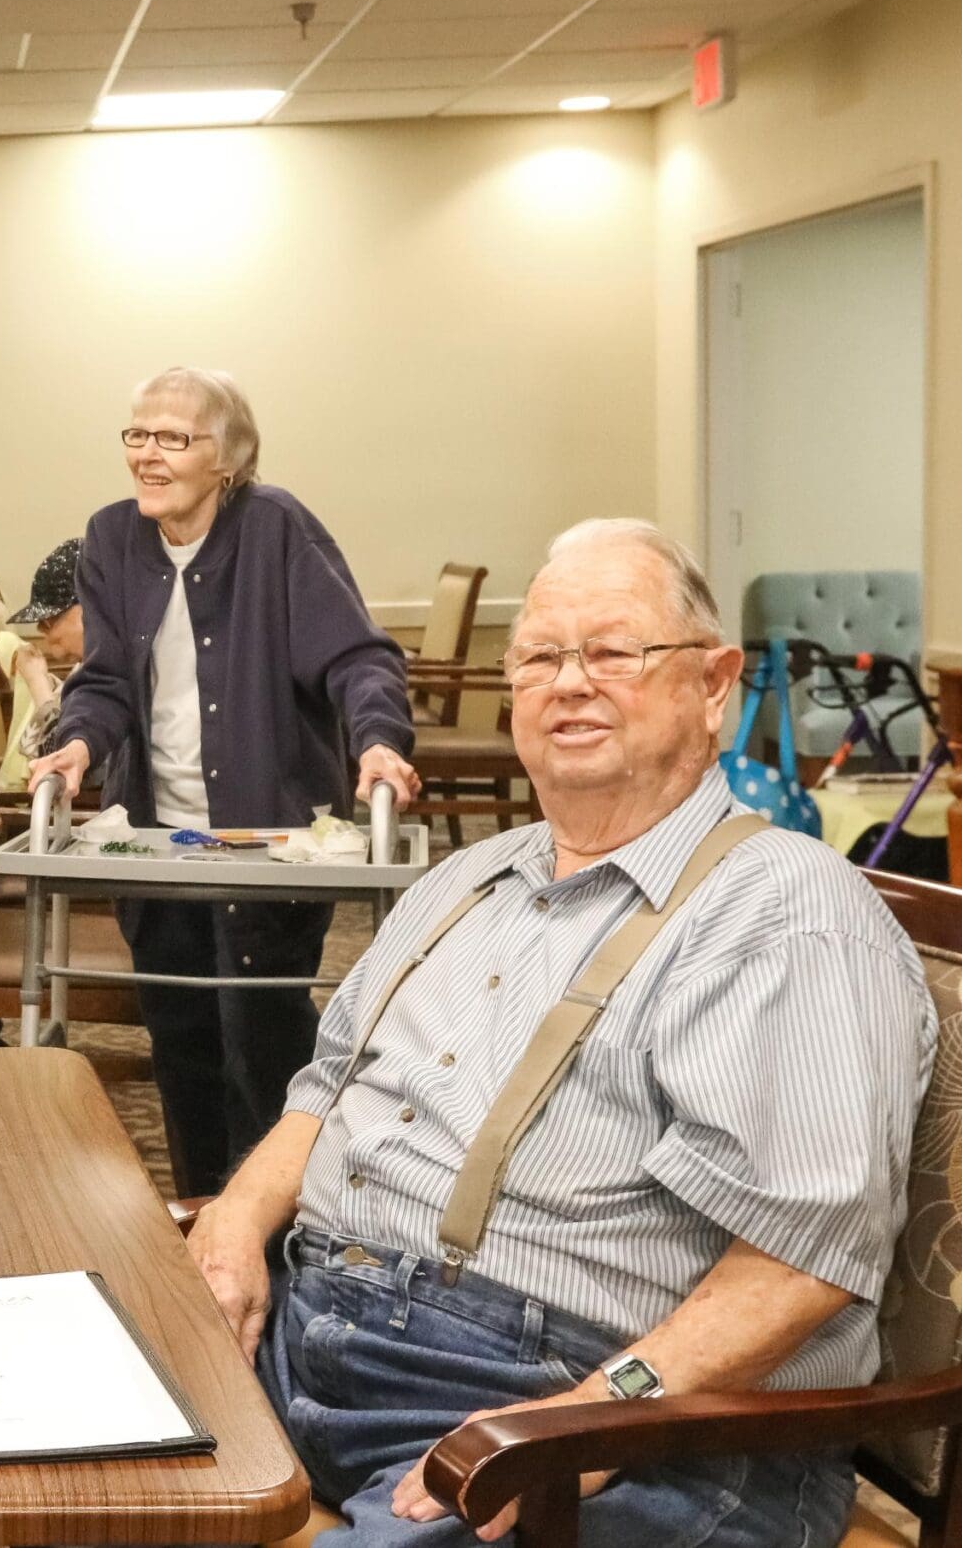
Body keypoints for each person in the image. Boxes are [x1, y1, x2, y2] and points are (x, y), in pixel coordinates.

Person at [184, 518, 932, 1548]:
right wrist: (231, 1223)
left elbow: (800, 1261)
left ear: (712, 686)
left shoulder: (781, 915)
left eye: (613, 651)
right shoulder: (463, 878)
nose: (568, 681)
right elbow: (325, 1090)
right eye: (539, 656)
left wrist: (592, 1411)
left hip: (617, 1416)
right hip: (312, 1337)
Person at [25, 366, 419, 1199]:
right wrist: (77, 748)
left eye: (174, 437)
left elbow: (358, 657)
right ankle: (201, 1228)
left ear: (228, 458)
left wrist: (379, 743)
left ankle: (277, 1234)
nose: (148, 454)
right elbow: (103, 681)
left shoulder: (275, 528)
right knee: (181, 1044)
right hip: (154, 842)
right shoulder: (111, 539)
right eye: (137, 434)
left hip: (269, 841)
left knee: (263, 1043)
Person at [0, 537, 83, 792]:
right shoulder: (88, 667)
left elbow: (58, 752)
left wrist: (37, 683)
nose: (43, 631)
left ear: (86, 611)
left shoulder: (116, 674)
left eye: (48, 620)